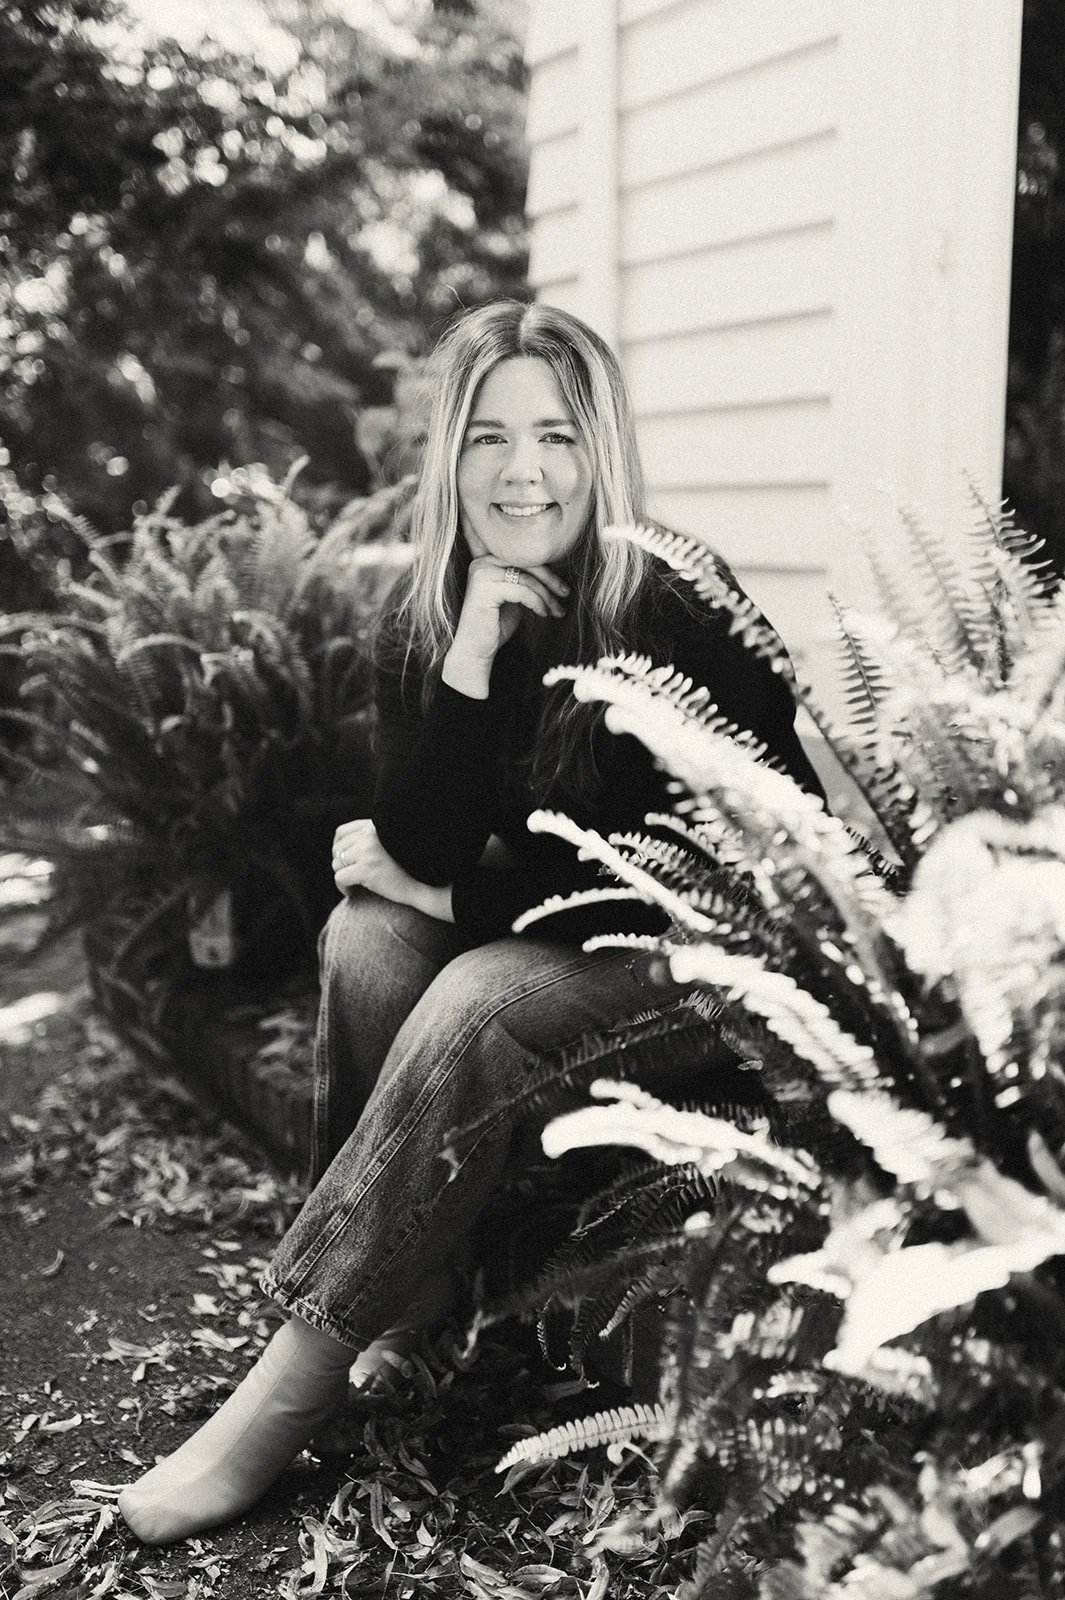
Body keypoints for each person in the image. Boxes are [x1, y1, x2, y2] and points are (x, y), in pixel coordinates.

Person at [118, 300, 825, 1545]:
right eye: (490, 438)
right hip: (568, 927)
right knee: (365, 940)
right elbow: (418, 844)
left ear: (599, 448)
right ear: (451, 453)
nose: (523, 472)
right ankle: (414, 1291)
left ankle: (292, 1379)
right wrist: (471, 663)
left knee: (466, 989)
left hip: (713, 953)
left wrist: (448, 895)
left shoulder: (665, 603)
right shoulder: (439, 612)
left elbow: (681, 873)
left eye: (554, 436)